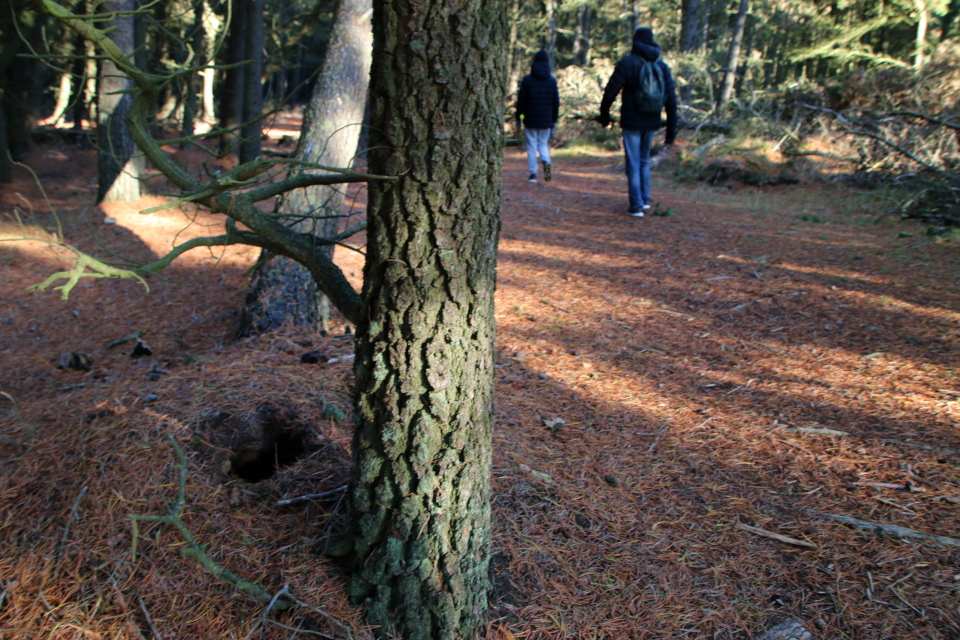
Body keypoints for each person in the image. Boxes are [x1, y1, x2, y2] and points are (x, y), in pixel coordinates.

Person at [599, 27, 677, 217]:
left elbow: (611, 90)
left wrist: (604, 114)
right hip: (651, 121)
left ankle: (636, 205)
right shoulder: (662, 67)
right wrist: (671, 130)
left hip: (631, 121)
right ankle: (645, 199)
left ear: (635, 42)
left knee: (633, 162)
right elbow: (671, 99)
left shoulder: (628, 63)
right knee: (643, 160)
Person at [516, 50, 560, 184]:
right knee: (543, 145)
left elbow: (521, 101)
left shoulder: (527, 80)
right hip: (546, 120)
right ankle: (547, 172)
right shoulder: (551, 81)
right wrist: (554, 120)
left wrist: (519, 117)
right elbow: (556, 102)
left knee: (531, 147)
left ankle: (533, 174)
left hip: (530, 119)